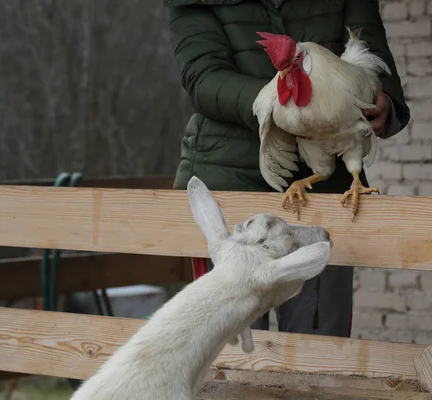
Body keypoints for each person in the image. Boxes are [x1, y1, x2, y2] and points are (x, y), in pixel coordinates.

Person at [164, 0, 410, 338]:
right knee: (229, 349)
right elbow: (204, 78)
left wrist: (383, 98)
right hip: (231, 181)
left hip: (325, 186)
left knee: (320, 346)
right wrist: (289, 107)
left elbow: (368, 51)